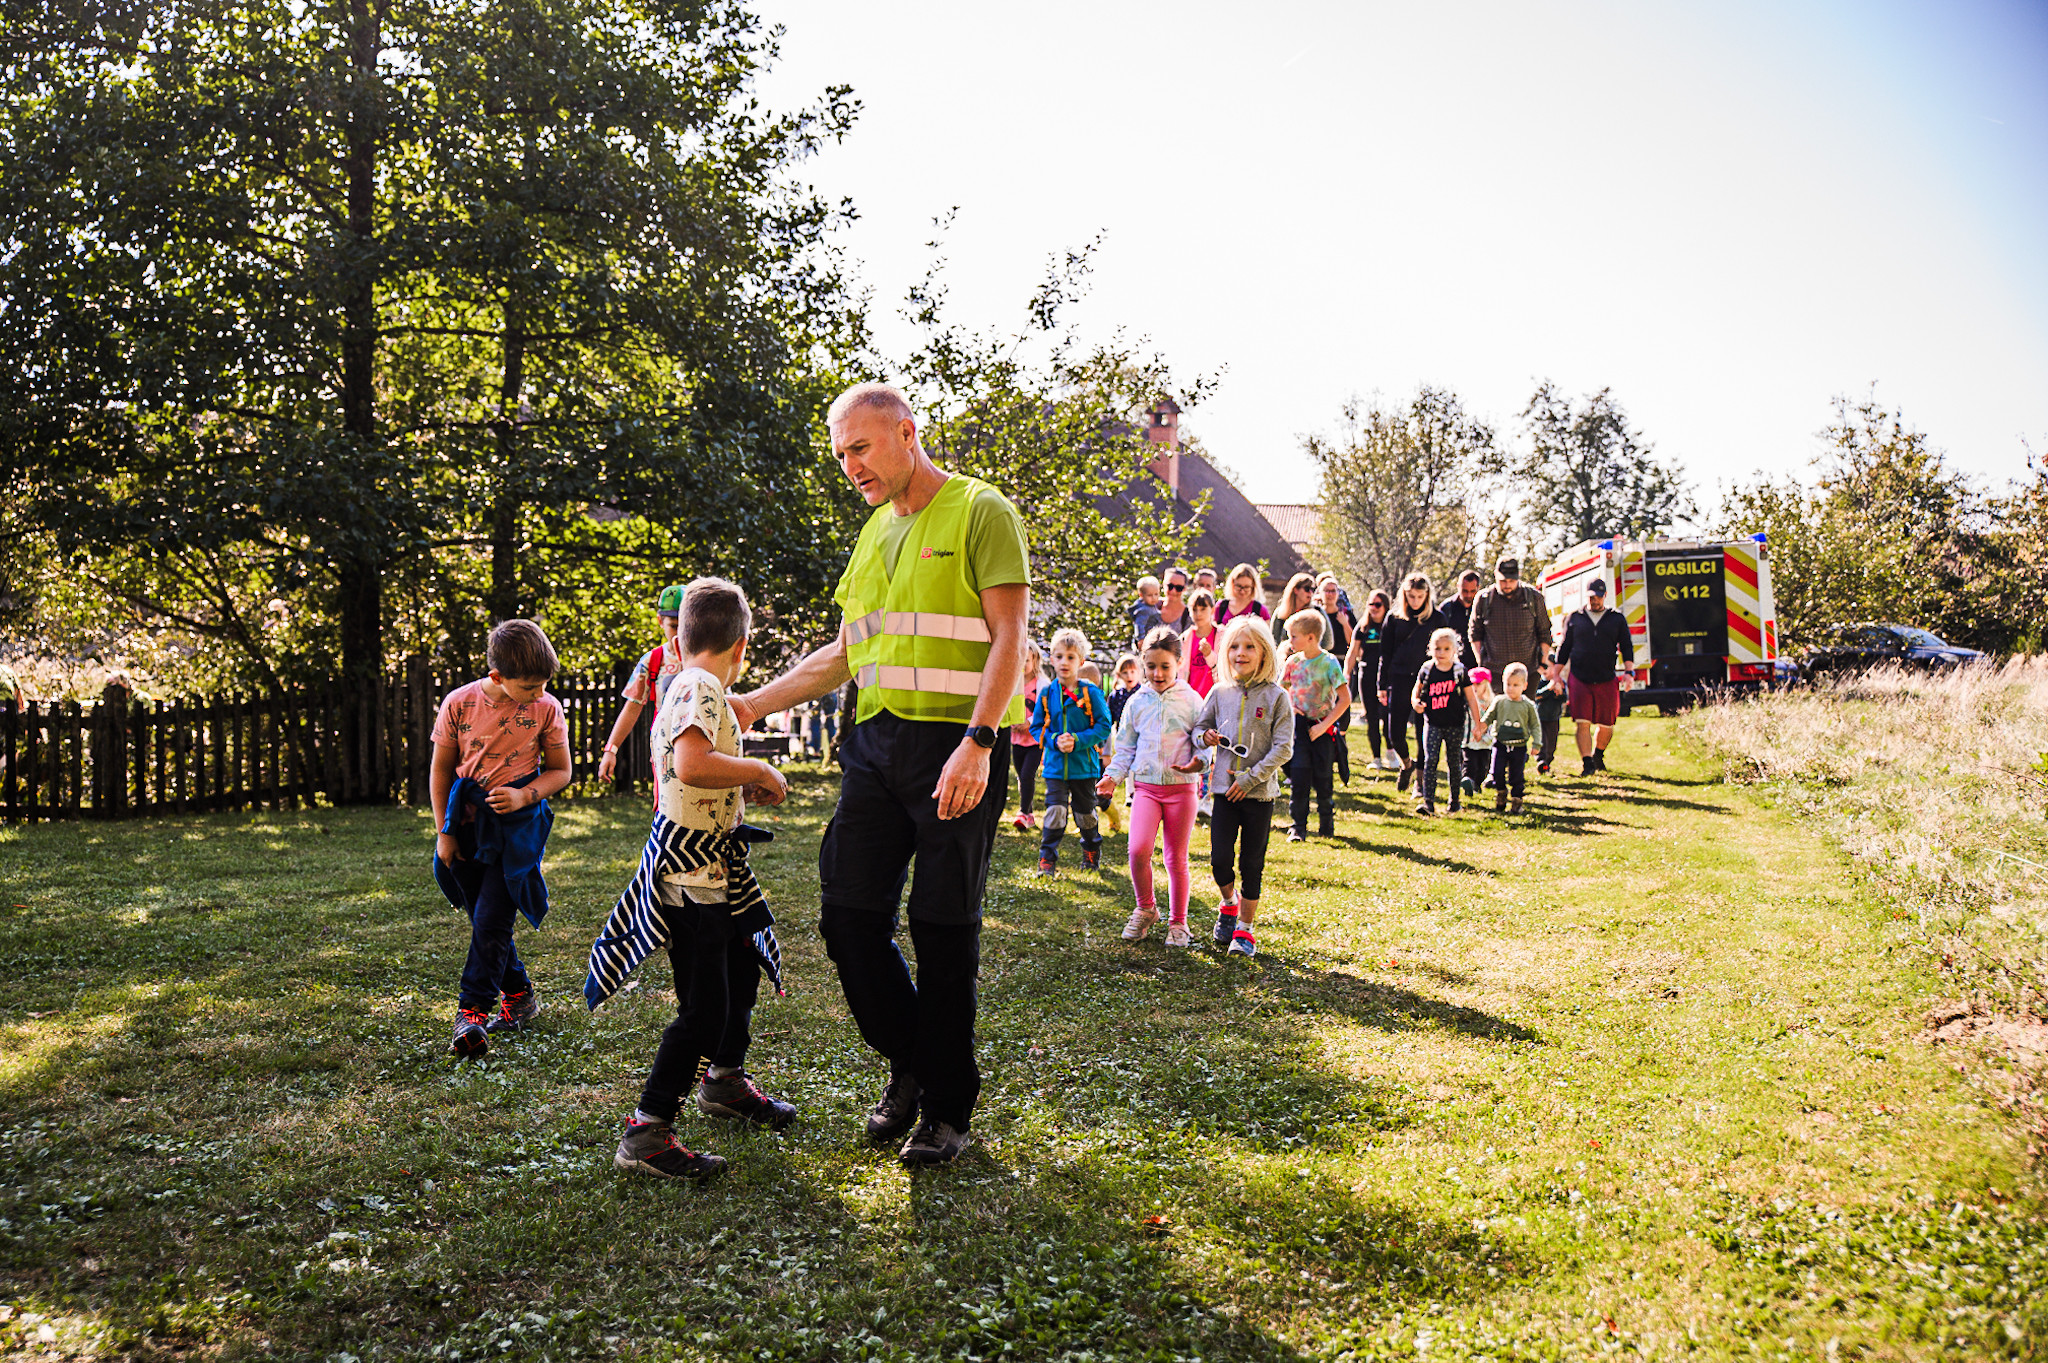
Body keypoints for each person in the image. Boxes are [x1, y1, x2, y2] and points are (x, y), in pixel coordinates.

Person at [727, 381, 1029, 1167]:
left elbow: (1010, 638)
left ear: (906, 432)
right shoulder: (869, 537)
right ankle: (917, 1065)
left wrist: (980, 740)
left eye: (860, 448)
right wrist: (754, 702)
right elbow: (845, 653)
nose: (850, 466)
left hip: (955, 747)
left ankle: (947, 1111)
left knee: (940, 926)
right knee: (848, 918)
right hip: (873, 745)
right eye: (840, 455)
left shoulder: (979, 510)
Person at [588, 579, 796, 1183]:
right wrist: (759, 766)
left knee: (739, 975)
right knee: (704, 1010)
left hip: (713, 870)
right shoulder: (701, 685)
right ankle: (647, 1131)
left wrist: (740, 787)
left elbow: (697, 776)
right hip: (690, 878)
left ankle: (724, 1082)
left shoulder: (686, 684)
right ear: (743, 645)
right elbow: (692, 764)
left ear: (679, 636)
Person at [430, 619, 574, 1057]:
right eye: (529, 686)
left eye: (543, 684)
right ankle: (520, 997)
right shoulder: (458, 704)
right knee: (484, 919)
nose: (539, 694)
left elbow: (562, 771)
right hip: (468, 825)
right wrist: (445, 833)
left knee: (493, 917)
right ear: (497, 677)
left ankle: (470, 1013)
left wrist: (524, 795)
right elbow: (440, 770)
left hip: (518, 830)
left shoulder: (546, 709)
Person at [1190, 618, 1292, 959]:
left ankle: (1245, 931)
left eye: (1249, 646)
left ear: (1265, 652)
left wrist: (1250, 780)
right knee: (1219, 859)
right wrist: (1204, 737)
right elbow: (1199, 727)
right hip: (1222, 792)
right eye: (1234, 646)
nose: (1240, 653)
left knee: (1251, 863)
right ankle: (1229, 904)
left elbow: (1283, 748)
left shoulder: (1278, 697)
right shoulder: (1219, 693)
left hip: (1259, 795)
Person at [1096, 627, 1204, 947]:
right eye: (1151, 666)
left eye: (1165, 667)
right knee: (1137, 849)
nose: (1158, 673)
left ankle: (1179, 923)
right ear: (1143, 665)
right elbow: (1126, 747)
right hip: (1145, 788)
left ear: (1179, 664)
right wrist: (1113, 775)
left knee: (1175, 859)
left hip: (1182, 790)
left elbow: (1202, 741)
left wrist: (1201, 761)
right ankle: (1146, 909)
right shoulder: (1136, 703)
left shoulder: (1191, 701)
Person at [1031, 628, 1112, 877]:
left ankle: (1091, 850)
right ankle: (1047, 860)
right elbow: (1037, 728)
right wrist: (1055, 740)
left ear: (1081, 661)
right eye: (1059, 656)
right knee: (1055, 813)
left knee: (1085, 815)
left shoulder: (1091, 693)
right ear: (1051, 659)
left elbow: (1104, 726)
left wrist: (1077, 740)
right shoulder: (1046, 693)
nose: (1064, 662)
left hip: (1084, 767)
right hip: (1055, 766)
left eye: (1070, 657)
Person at [597, 584, 685, 786]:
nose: (680, 634)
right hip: (666, 758)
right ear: (660, 621)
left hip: (704, 754)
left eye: (686, 626)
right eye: (673, 625)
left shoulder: (706, 658)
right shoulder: (653, 661)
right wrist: (611, 749)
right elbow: (631, 709)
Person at [1554, 576, 1633, 776]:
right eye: (1591, 597)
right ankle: (1587, 762)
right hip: (1580, 676)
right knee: (1582, 721)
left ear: (1605, 596)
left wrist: (1629, 673)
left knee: (1607, 724)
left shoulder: (1616, 618)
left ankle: (1598, 754)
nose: (1594, 600)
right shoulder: (1575, 618)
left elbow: (1627, 647)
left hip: (1607, 677)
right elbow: (1564, 649)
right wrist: (1556, 675)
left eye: (1598, 596)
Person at [1378, 573, 1449, 794]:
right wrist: (1381, 685)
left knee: (1423, 733)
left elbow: (1446, 653)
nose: (1415, 601)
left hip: (1427, 681)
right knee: (1393, 732)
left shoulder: (1437, 618)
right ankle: (1406, 763)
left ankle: (1420, 782)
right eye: (1411, 596)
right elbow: (1385, 653)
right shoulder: (1394, 617)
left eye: (1420, 596)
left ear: (1427, 595)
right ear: (1404, 596)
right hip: (1398, 677)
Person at [1281, 609, 1347, 841]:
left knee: (1323, 779)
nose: (1290, 642)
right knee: (1299, 778)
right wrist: (1292, 707)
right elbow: (1282, 690)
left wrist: (1324, 725)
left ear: (1311, 637)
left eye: (1294, 636)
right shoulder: (1292, 662)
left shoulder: (1329, 663)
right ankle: (1297, 827)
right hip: (1299, 728)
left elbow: (1345, 698)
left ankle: (1326, 826)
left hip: (1322, 728)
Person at [1409, 626, 1476, 816]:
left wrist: (1478, 723)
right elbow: (1416, 690)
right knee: (1431, 760)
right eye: (1437, 648)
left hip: (1455, 723)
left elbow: (1471, 698)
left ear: (1455, 649)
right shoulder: (1427, 669)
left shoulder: (1460, 671)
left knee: (1454, 762)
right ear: (1431, 649)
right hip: (1433, 722)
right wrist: (1415, 702)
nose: (1442, 653)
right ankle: (1428, 801)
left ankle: (1454, 800)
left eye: (1446, 649)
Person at [1468, 557, 1552, 687]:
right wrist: (1481, 663)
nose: (1507, 585)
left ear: (1519, 576)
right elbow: (1475, 634)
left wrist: (1542, 663)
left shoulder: (1534, 598)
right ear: (1495, 575)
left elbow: (1544, 632)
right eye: (1503, 581)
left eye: (1511, 581)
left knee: (1525, 708)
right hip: (1495, 673)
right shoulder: (1484, 600)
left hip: (1528, 672)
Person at [1316, 574, 1359, 784]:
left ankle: (1338, 748)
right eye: (1327, 590)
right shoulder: (1317, 615)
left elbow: (1354, 642)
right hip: (1320, 665)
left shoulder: (1346, 614)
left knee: (1343, 707)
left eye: (1334, 591)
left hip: (1341, 663)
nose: (1331, 594)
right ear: (1321, 593)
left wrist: (1344, 623)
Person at [1484, 662, 1541, 814]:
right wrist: (1481, 727)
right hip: (1500, 744)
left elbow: (1535, 725)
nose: (1511, 688)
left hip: (1519, 746)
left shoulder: (1528, 705)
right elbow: (1489, 717)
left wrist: (1537, 743)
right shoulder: (1499, 701)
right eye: (1508, 684)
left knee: (1517, 775)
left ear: (1524, 685)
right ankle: (1501, 793)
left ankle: (1516, 801)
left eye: (1515, 685)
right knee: (1497, 772)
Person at [1346, 589, 1393, 771]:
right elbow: (1352, 652)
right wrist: (1346, 674)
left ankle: (1391, 751)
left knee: (1387, 715)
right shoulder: (1363, 626)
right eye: (1371, 604)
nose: (1374, 608)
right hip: (1367, 675)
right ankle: (1377, 757)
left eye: (1378, 605)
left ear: (1385, 606)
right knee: (1372, 718)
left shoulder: (1391, 625)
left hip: (1387, 678)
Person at [1099, 654, 1140, 837]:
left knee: (1137, 766)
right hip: (1124, 737)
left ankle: (1133, 794)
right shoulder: (1116, 696)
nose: (1129, 675)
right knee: (1127, 762)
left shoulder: (1143, 693)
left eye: (1132, 671)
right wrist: (1105, 749)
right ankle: (1129, 794)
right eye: (1125, 672)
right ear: (1119, 675)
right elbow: (1108, 722)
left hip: (1142, 737)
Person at [1007, 642, 1044, 830]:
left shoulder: (1041, 684)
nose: (1023, 664)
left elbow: (1044, 710)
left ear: (1035, 660)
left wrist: (1028, 723)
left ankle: (1023, 813)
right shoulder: (1014, 681)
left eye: (1027, 660)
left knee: (1028, 774)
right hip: (1017, 739)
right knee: (1021, 776)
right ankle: (1028, 812)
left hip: (1035, 740)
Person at [1270, 572, 1334, 651]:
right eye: (1307, 589)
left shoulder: (1317, 611)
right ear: (1296, 590)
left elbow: (1328, 643)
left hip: (1312, 661)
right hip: (1285, 659)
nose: (1310, 593)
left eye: (1312, 589)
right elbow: (1273, 641)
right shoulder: (1280, 613)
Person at [1461, 667, 1496, 798]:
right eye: (1472, 683)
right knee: (1469, 763)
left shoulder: (1491, 703)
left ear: (1486, 684)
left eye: (1478, 683)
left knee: (1483, 767)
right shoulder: (1465, 702)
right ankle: (1467, 781)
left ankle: (1476, 785)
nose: (1475, 687)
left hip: (1485, 741)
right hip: (1469, 740)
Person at [1439, 569, 1483, 672]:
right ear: (1458, 586)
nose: (1468, 595)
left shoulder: (1483, 607)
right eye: (1464, 591)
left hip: (1478, 665)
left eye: (1472, 591)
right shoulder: (1447, 608)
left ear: (1478, 588)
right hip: (1453, 665)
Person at [1214, 562, 1271, 630]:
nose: (1242, 591)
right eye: (1239, 586)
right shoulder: (1221, 606)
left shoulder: (1260, 610)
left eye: (1246, 587)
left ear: (1253, 587)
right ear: (1232, 584)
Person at [1532, 668, 1567, 776]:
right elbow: (1536, 696)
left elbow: (1565, 699)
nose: (1545, 670)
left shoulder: (1560, 682)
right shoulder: (1539, 682)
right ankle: (1541, 762)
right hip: (1540, 718)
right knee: (1542, 742)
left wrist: (1559, 693)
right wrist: (1548, 689)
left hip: (1553, 718)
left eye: (1548, 667)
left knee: (1551, 744)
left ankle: (1547, 762)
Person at [1128, 575, 1165, 652]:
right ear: (1141, 595)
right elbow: (1139, 625)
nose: (1154, 598)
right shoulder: (1143, 610)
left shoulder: (1151, 604)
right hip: (1146, 640)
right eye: (1150, 595)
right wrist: (1141, 639)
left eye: (1156, 594)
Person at [1158, 566, 1193, 635]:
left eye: (1179, 588)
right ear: (1163, 584)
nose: (1173, 591)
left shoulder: (1189, 616)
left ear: (1185, 589)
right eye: (1170, 586)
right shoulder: (1153, 607)